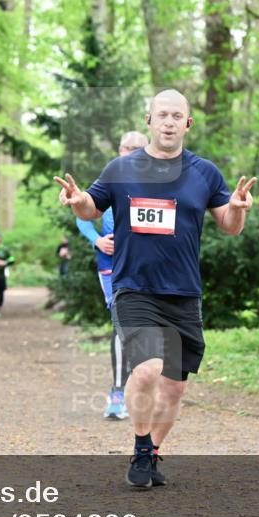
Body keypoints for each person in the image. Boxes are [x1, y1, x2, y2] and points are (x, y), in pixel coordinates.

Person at [54, 89, 256, 489]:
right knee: (146, 368)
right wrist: (77, 202)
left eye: (176, 116)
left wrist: (235, 206)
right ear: (148, 120)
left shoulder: (204, 173)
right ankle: (142, 445)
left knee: (176, 386)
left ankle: (150, 452)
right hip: (134, 287)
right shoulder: (121, 169)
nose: (168, 122)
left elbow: (229, 227)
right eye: (161, 114)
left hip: (183, 291)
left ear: (187, 124)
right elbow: (91, 207)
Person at [75, 130, 148, 420]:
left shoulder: (153, 182)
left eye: (138, 149)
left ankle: (135, 385)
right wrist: (97, 240)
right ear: (119, 149)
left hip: (143, 265)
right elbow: (82, 216)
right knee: (122, 324)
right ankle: (117, 392)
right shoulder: (109, 179)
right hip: (110, 265)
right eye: (127, 148)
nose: (131, 153)